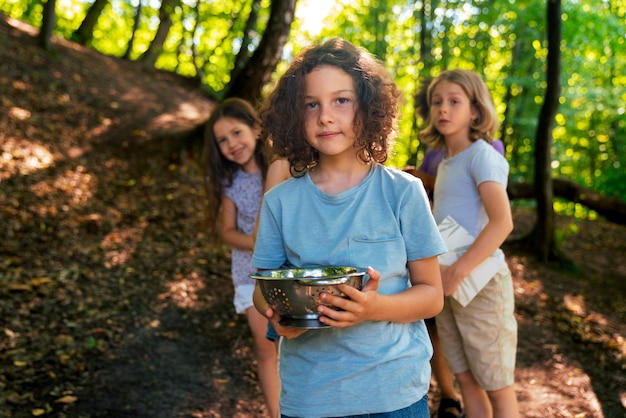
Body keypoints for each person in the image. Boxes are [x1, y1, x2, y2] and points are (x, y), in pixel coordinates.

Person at [252, 38, 447, 418]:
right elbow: (264, 290)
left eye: (341, 100)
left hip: (394, 395)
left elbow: (432, 296)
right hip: (309, 398)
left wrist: (375, 307)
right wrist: (280, 317)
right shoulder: (280, 201)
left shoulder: (403, 192)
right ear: (295, 114)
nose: (325, 116)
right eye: (312, 104)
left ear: (369, 107)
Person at [419, 69, 519, 418]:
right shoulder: (445, 164)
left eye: (454, 102)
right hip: (448, 288)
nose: (443, 109)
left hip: (481, 287)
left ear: (475, 111)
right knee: (467, 383)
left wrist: (459, 271)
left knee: (497, 387)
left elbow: (502, 222)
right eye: (437, 102)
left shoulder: (482, 155)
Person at [203, 97, 280, 418]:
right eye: (223, 140)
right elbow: (227, 232)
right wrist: (257, 243)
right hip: (250, 275)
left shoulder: (284, 169)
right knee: (266, 347)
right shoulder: (230, 184)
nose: (232, 144)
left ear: (257, 129)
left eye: (236, 133)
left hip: (290, 273)